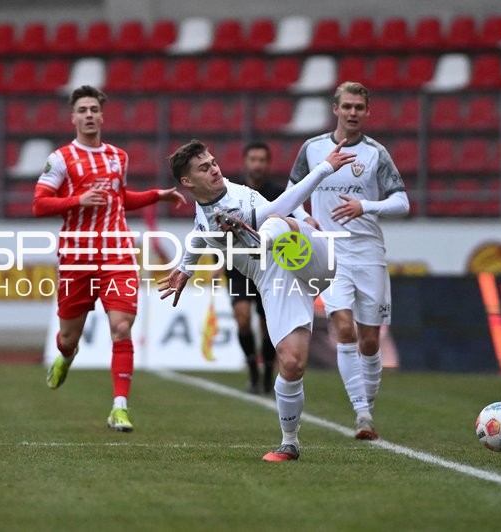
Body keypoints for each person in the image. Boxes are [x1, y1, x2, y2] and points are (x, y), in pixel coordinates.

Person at [159, 138, 356, 461]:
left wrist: (323, 169)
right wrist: (186, 268)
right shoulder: (208, 218)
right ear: (187, 182)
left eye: (213, 162)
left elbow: (281, 204)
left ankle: (257, 239)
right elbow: (198, 232)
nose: (214, 169)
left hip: (311, 256)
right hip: (275, 280)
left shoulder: (230, 200)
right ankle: (289, 442)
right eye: (204, 168)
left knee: (276, 221)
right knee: (291, 363)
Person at [33, 85, 185, 432]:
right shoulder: (60, 159)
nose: (89, 115)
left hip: (117, 254)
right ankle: (66, 357)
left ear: (102, 115)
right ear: (73, 117)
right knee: (69, 337)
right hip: (77, 257)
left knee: (121, 327)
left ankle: (119, 406)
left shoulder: (119, 156)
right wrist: (77, 200)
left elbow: (118, 199)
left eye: (94, 109)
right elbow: (39, 204)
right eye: (82, 110)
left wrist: (154, 196)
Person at [287, 81, 410, 440]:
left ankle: (366, 407)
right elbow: (293, 192)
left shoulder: (376, 154)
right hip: (331, 252)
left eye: (359, 107)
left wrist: (365, 206)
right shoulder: (313, 149)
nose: (353, 112)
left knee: (370, 342)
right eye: (347, 106)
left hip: (369, 254)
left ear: (367, 112)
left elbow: (402, 202)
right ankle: (361, 413)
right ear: (335, 109)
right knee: (343, 329)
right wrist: (303, 215)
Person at [226, 141, 280, 395]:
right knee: (243, 319)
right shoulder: (234, 193)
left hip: (269, 265)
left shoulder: (278, 194)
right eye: (253, 159)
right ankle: (253, 371)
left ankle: (269, 371)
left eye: (262, 160)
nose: (257, 164)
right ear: (245, 162)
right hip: (238, 264)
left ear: (268, 164)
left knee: (267, 324)